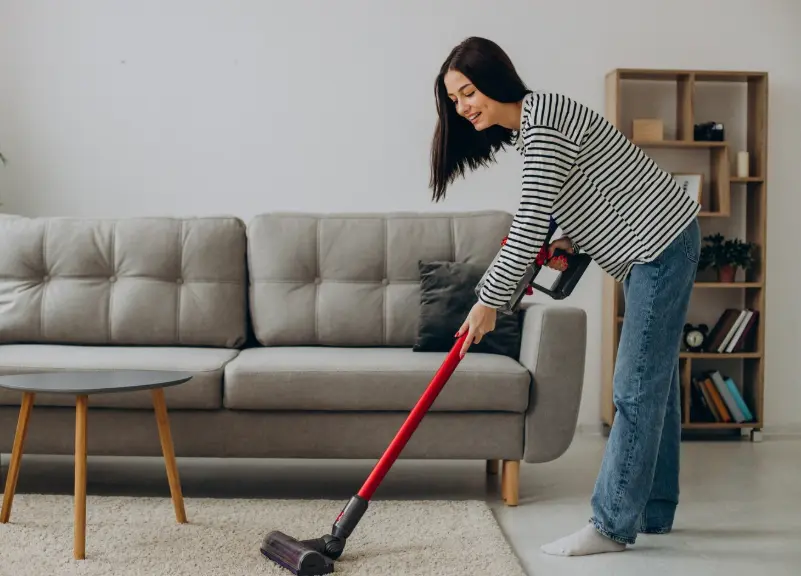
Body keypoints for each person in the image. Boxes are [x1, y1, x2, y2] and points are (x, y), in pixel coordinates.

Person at [430, 36, 700, 556]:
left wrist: (487, 302)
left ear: (494, 78)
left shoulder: (542, 123)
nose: (464, 107)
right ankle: (653, 510)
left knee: (635, 386)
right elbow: (593, 190)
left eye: (469, 92)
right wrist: (567, 238)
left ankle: (611, 525)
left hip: (660, 244)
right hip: (657, 245)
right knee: (655, 385)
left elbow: (530, 220)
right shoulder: (531, 129)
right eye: (455, 100)